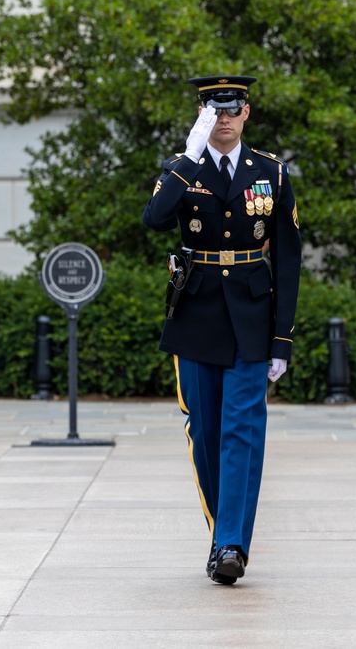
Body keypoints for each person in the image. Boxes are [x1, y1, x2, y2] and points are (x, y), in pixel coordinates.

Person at [142, 75, 302, 585]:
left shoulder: (269, 172)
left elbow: (290, 259)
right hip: (195, 314)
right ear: (202, 115)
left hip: (252, 315)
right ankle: (221, 533)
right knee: (205, 432)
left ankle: (231, 543)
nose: (225, 118)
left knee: (242, 431)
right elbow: (153, 218)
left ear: (247, 113)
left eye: (233, 109)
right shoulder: (182, 169)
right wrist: (188, 158)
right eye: (215, 111)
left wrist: (283, 336)